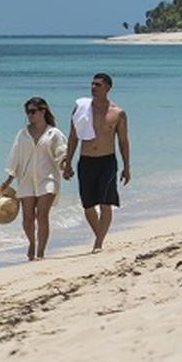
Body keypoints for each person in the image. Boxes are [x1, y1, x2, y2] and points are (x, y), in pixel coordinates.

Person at [0, 97, 69, 260]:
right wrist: (8, 180)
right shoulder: (22, 134)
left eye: (33, 111)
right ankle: (32, 243)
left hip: (48, 178)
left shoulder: (54, 133)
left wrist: (65, 168)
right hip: (26, 180)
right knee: (28, 218)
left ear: (43, 111)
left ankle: (41, 252)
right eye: (27, 112)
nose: (30, 115)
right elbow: (15, 158)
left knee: (42, 215)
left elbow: (62, 154)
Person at [68, 72, 131, 251]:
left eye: (98, 85)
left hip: (107, 162)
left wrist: (127, 167)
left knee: (105, 203)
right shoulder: (80, 109)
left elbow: (123, 141)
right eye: (92, 84)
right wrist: (67, 163)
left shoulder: (118, 113)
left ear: (108, 88)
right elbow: (73, 137)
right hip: (86, 161)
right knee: (88, 205)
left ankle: (98, 243)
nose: (93, 88)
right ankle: (100, 235)